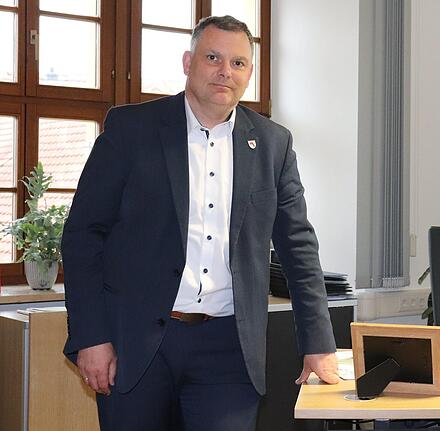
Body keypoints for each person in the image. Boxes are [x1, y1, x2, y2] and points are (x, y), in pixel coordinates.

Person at [62, 15, 339, 430]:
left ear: (249, 74)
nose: (225, 71)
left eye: (239, 63)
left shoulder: (272, 144)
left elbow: (298, 246)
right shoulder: (131, 130)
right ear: (188, 61)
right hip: (138, 345)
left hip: (228, 349)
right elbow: (84, 236)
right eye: (213, 57)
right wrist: (91, 337)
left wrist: (318, 344)